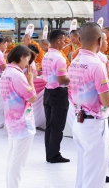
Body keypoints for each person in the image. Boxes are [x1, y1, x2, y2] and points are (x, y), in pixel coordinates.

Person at [68, 22, 109, 188]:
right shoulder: (97, 65)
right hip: (94, 124)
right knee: (94, 175)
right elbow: (106, 100)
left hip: (79, 121)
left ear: (79, 39)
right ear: (99, 41)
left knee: (84, 170)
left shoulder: (75, 61)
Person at [0, 45, 37, 188]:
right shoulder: (17, 75)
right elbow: (32, 97)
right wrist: (31, 80)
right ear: (21, 57)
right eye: (28, 58)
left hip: (12, 120)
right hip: (22, 122)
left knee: (13, 159)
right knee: (18, 162)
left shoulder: (7, 72)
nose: (28, 63)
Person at [42, 29, 71, 163]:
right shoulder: (59, 58)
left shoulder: (47, 55)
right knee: (57, 126)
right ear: (58, 41)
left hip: (48, 91)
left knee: (50, 125)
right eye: (64, 40)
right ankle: (54, 154)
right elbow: (61, 80)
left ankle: (50, 153)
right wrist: (73, 78)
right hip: (58, 93)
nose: (65, 43)